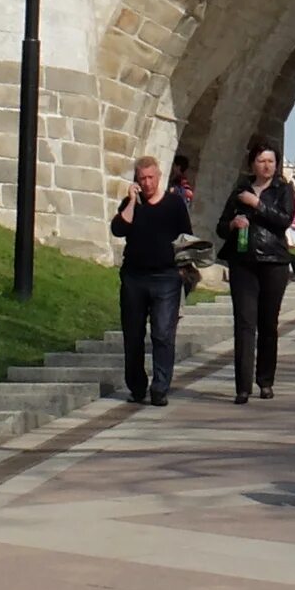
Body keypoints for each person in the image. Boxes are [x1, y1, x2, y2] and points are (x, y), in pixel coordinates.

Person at [112, 155, 194, 407]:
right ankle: (137, 386)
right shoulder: (132, 204)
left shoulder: (174, 204)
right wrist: (132, 201)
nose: (147, 183)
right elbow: (118, 229)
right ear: (136, 180)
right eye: (141, 179)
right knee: (133, 334)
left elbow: (186, 238)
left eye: (150, 178)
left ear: (159, 177)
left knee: (162, 333)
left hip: (166, 277)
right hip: (134, 277)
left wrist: (183, 272)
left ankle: (160, 387)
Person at [224, 142, 295, 403]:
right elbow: (220, 226)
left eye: (270, 161)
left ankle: (265, 380)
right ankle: (242, 386)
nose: (266, 166)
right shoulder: (240, 189)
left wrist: (257, 204)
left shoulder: (283, 190)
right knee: (244, 324)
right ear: (252, 164)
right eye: (261, 161)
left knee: (268, 324)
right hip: (243, 263)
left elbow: (284, 220)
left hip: (273, 261)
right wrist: (233, 223)